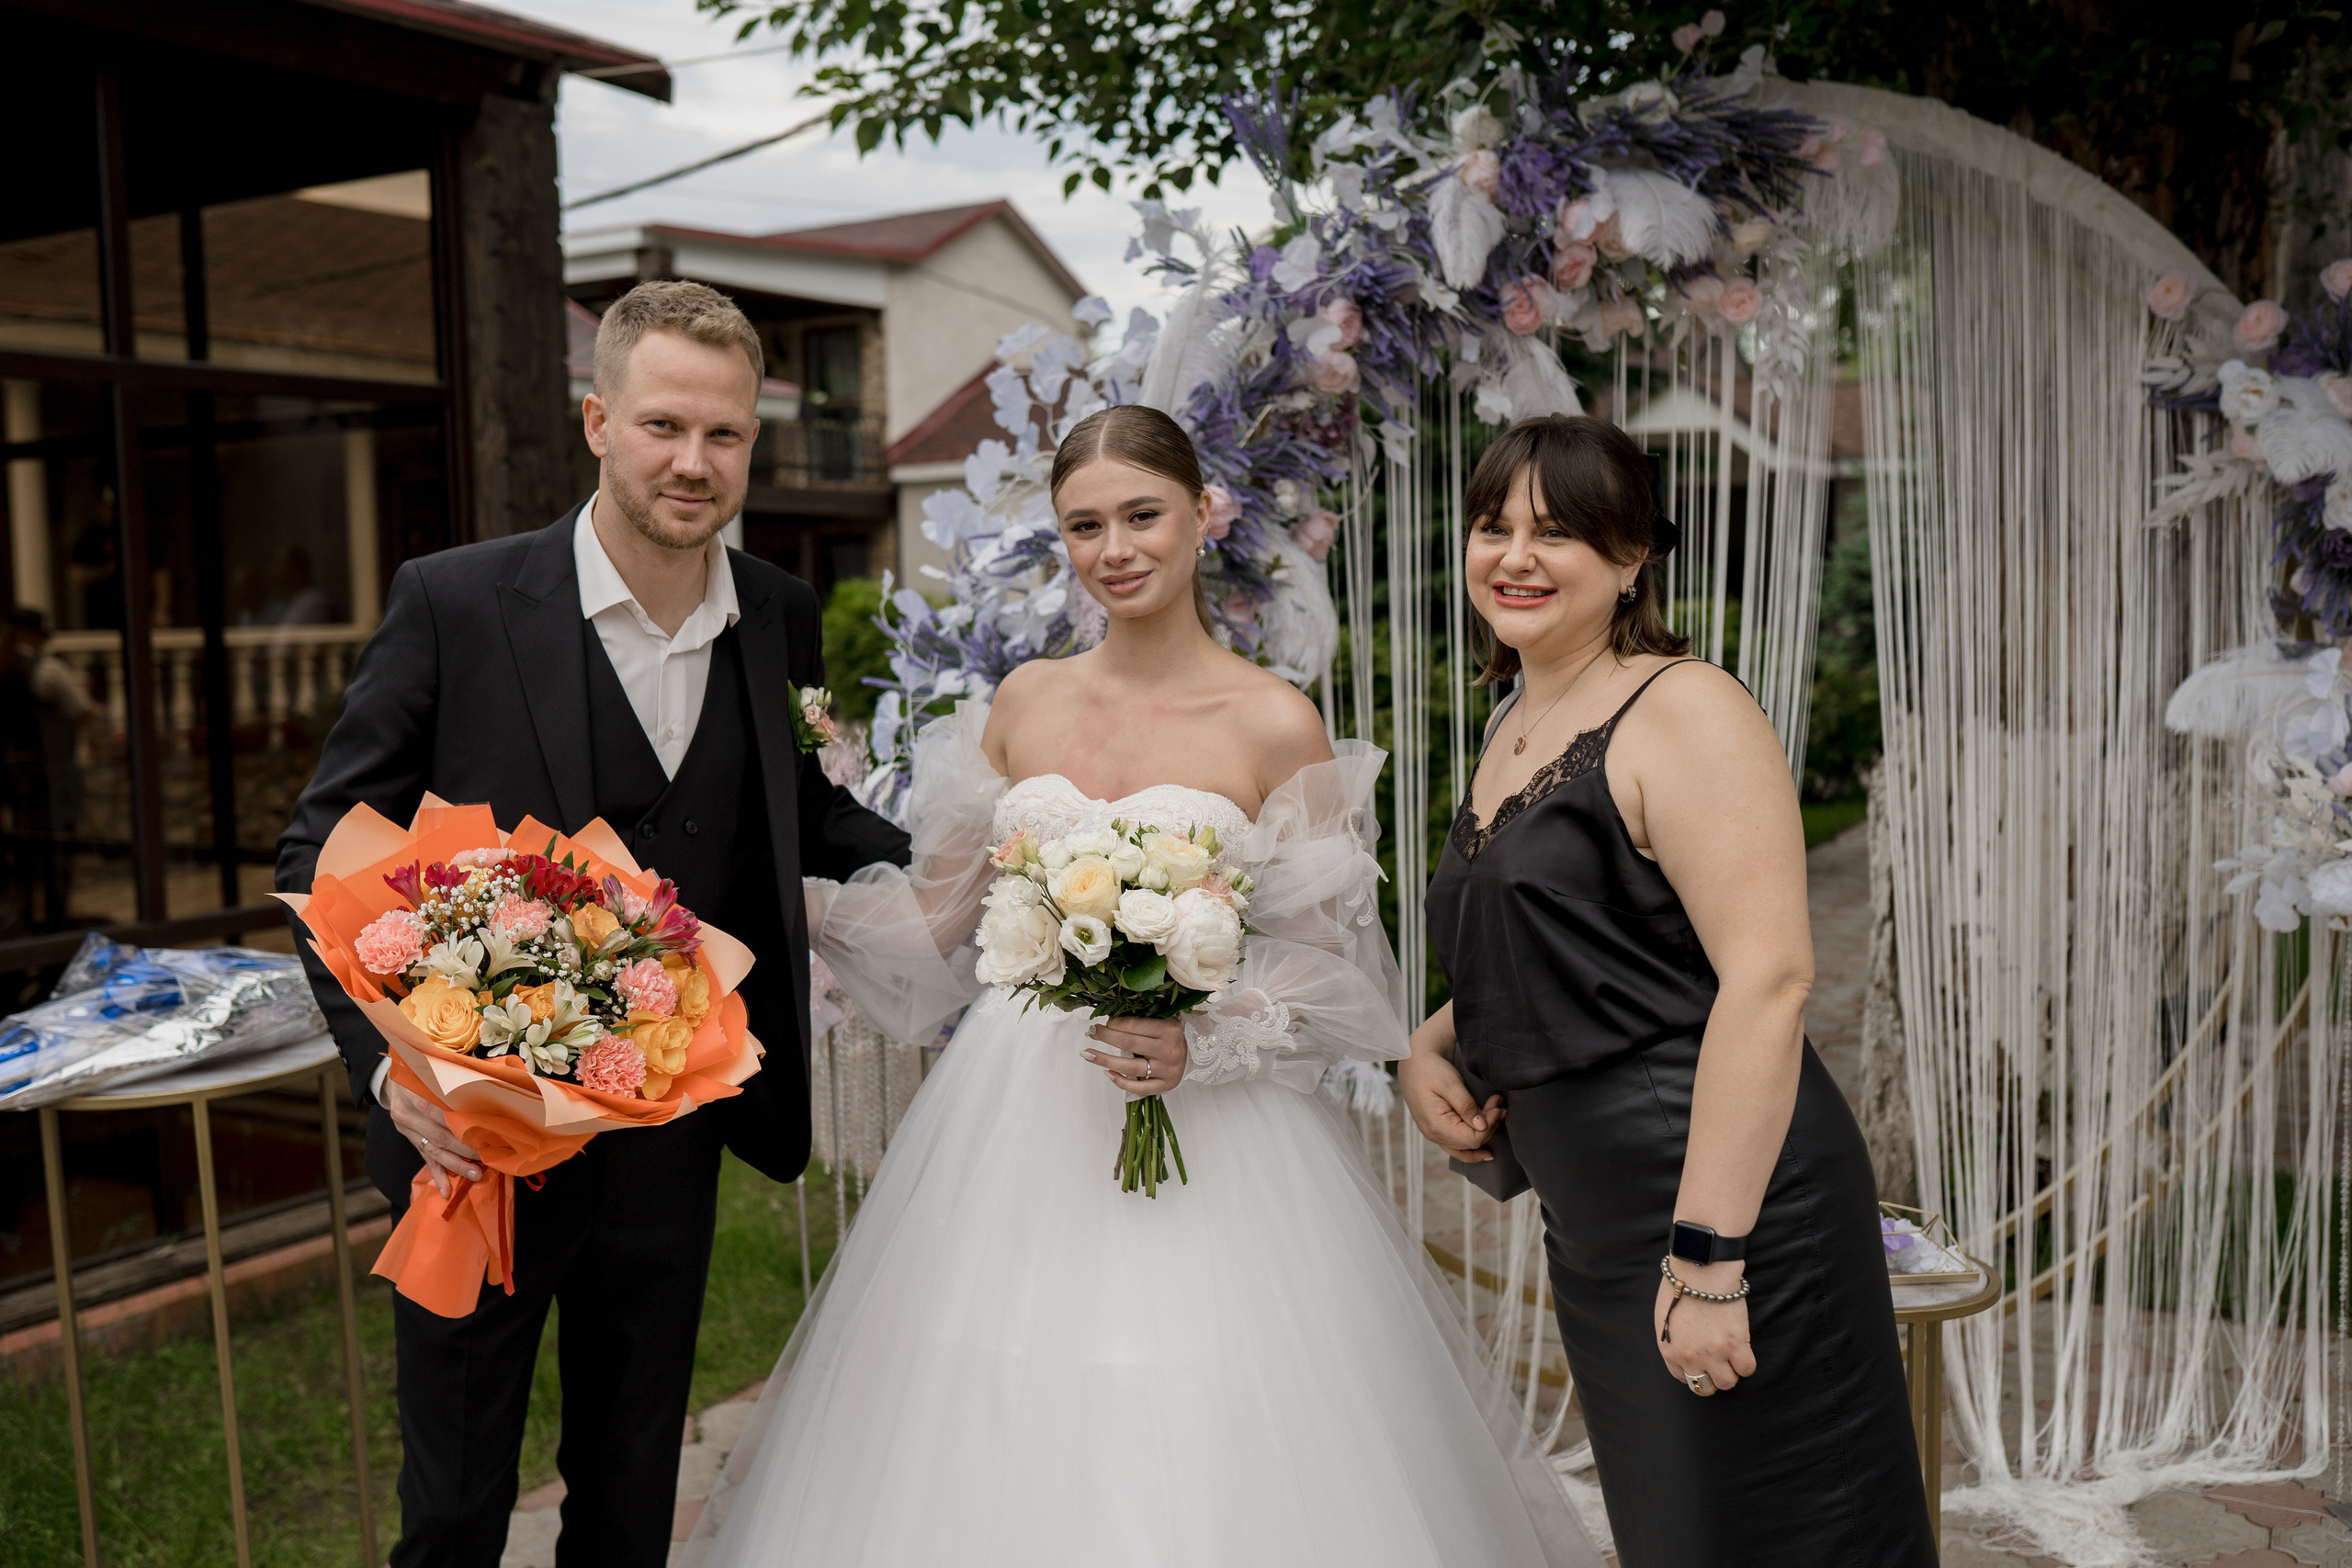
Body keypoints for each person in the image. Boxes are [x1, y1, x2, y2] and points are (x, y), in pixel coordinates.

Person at [689, 404, 1600, 1568]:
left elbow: (1336, 972)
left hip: (1213, 1129)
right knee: (991, 1385)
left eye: (1141, 516)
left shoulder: (1273, 720)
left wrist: (1202, 1037)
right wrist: (763, 907)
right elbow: (936, 919)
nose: (1115, 548)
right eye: (1084, 525)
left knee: (1201, 1389)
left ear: (1201, 517)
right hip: (1014, 1117)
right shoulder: (1022, 703)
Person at [276, 280, 911, 1568]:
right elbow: (323, 842)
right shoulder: (455, 603)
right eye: (664, 425)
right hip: (475, 1147)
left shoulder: (777, 614)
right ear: (598, 421)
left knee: (628, 1497)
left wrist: (1002, 850)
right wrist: (395, 1071)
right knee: (454, 1510)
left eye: (724, 434)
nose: (694, 461)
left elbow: (801, 815)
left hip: (669, 1134)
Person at [1404, 414, 1935, 1567]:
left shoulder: (1683, 708)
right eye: (1492, 527)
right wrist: (1428, 1044)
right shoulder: (1518, 719)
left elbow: (1769, 978)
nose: (1514, 557)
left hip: (1723, 1208)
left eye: (1557, 532)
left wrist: (1707, 1260)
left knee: (1789, 1535)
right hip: (1595, 1223)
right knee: (1678, 1538)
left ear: (1633, 554)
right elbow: (1564, 945)